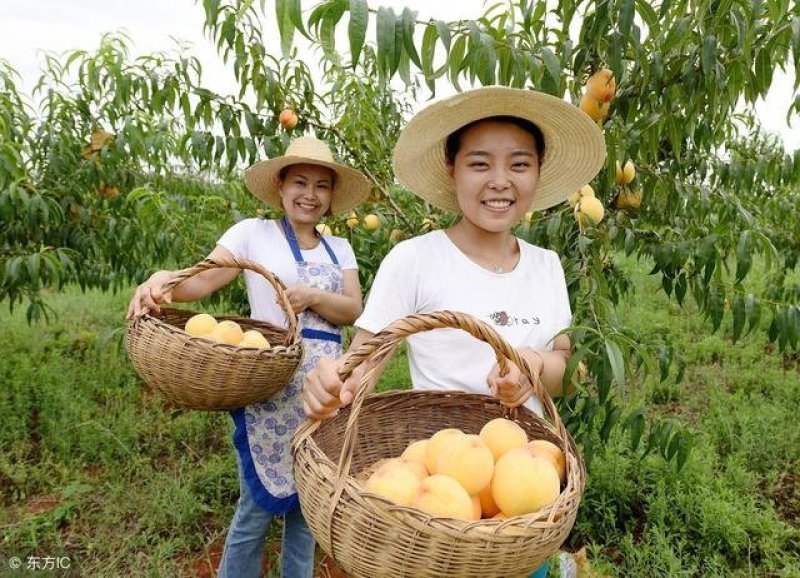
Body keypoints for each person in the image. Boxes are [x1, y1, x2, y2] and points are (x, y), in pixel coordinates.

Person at [302, 86, 606, 578]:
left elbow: (564, 371)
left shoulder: (547, 266)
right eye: (480, 163)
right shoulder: (415, 260)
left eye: (520, 164)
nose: (500, 181)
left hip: (520, 503)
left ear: (538, 171)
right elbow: (363, 364)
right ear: (452, 168)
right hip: (437, 499)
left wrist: (532, 366)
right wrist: (332, 383)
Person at [126, 136, 373, 578]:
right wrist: (164, 280)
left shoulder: (341, 249)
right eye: (300, 182)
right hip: (270, 383)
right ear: (280, 185)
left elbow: (353, 309)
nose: (309, 195)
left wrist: (313, 295)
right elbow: (199, 283)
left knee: (308, 507)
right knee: (256, 505)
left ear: (331, 196)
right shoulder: (252, 234)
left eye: (321, 186)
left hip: (325, 388)